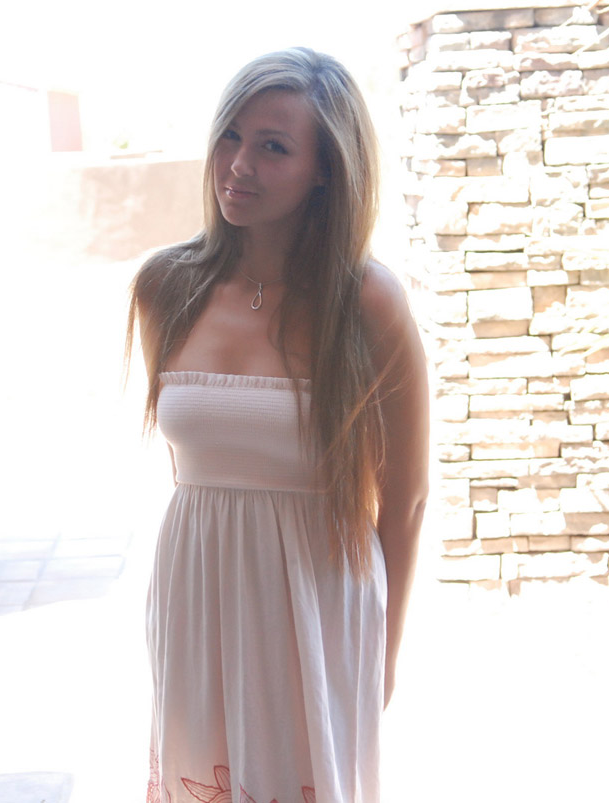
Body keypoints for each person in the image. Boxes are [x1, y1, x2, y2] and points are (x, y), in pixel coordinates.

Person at [127, 46, 429, 803]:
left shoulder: (367, 302)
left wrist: (385, 652)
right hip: (197, 592)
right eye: (230, 136)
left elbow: (407, 497)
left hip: (318, 600)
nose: (238, 165)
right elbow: (192, 464)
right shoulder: (165, 286)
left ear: (325, 169)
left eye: (272, 147)